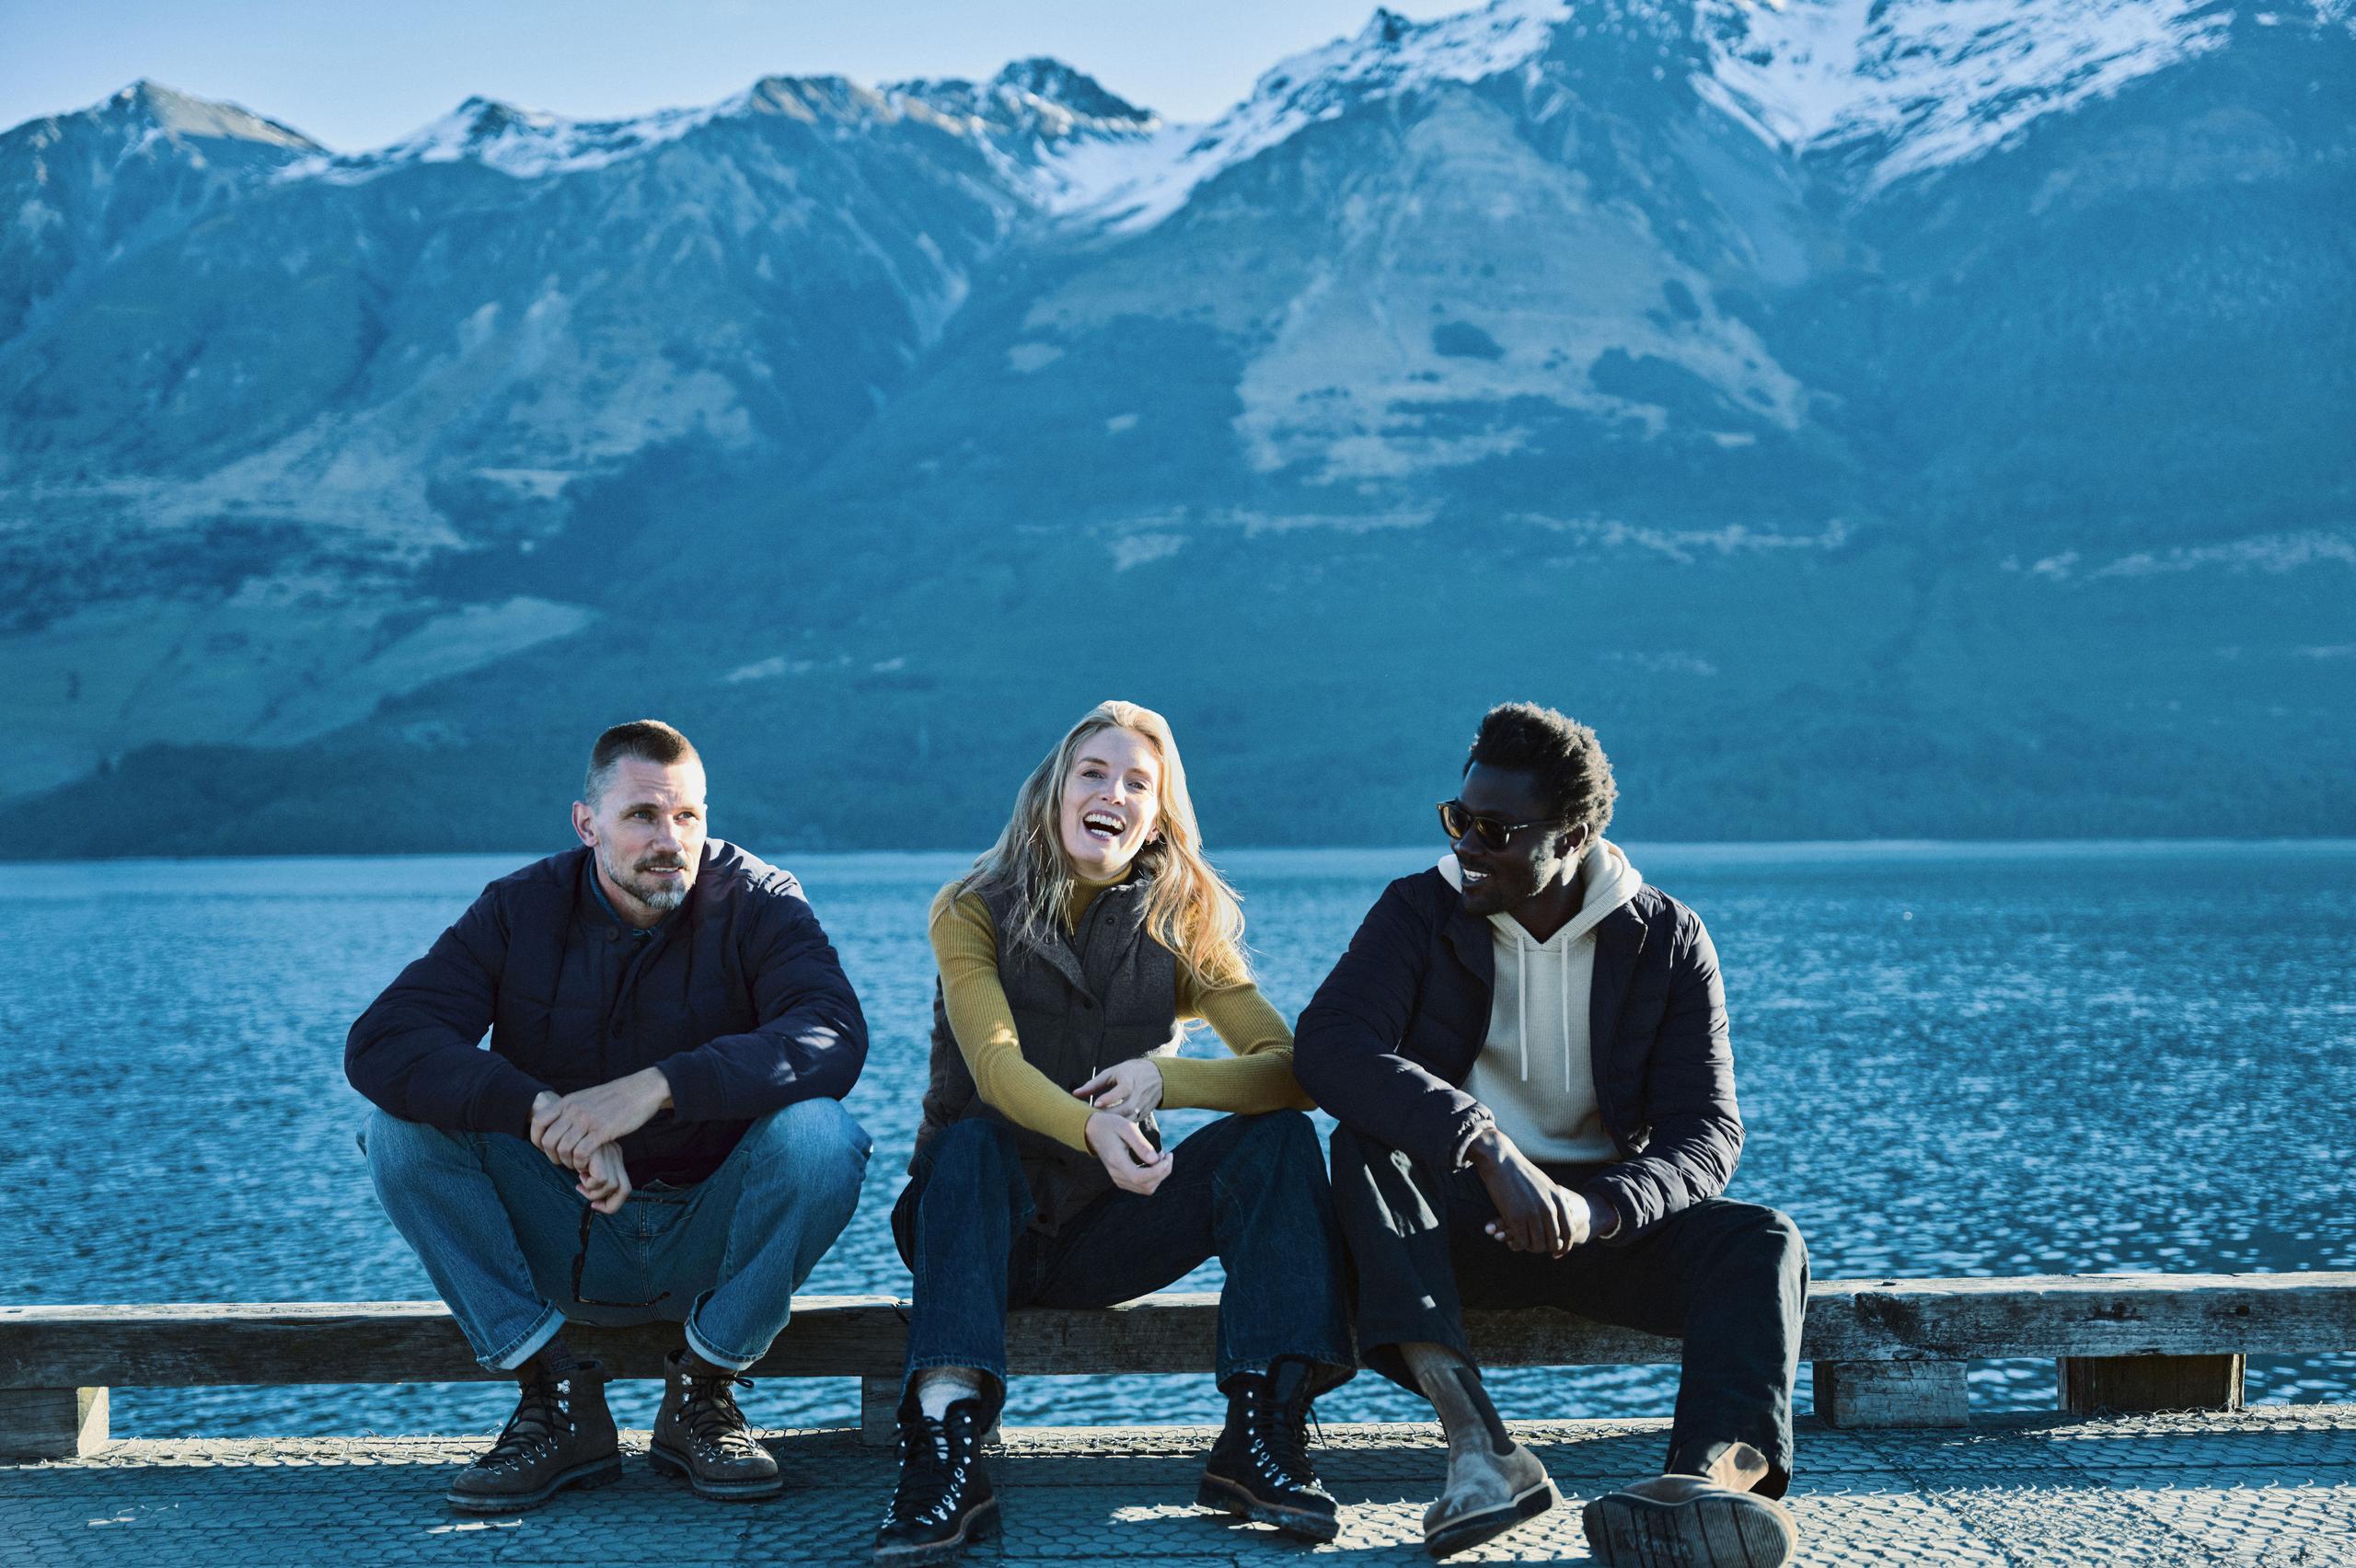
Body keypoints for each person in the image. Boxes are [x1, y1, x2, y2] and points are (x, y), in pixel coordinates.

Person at [1294, 703, 1807, 1566]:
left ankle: (1711, 1483)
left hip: (1600, 1229)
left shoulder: (1667, 940)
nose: (1466, 844)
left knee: (1761, 1242)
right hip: (1454, 1226)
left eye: (1494, 830)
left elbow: (1706, 1133)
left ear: (1569, 838)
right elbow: (1331, 1047)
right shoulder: (1419, 912)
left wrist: (1595, 1208)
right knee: (1363, 1149)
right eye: (1459, 819)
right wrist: (1485, 1148)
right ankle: (1482, 1454)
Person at [347, 720, 872, 1513]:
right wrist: (543, 1114)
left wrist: (656, 1088)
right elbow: (384, 1043)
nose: (670, 840)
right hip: (570, 1235)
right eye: (642, 816)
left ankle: (704, 1392)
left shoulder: (760, 900)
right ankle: (554, 1395)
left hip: (714, 1240)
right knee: (397, 1133)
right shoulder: (518, 909)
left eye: (687, 816)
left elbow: (831, 1034)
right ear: (586, 824)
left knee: (823, 1137)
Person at [874, 700, 1354, 1564]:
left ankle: (1262, 1431)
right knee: (972, 1144)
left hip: (1105, 1234)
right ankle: (945, 1454)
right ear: (1055, 792)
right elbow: (994, 1066)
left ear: (1160, 812)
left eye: (1140, 782)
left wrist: (1169, 1078)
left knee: (1277, 1137)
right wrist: (1094, 1127)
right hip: (978, 1230)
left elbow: (1288, 1066)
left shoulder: (1181, 921)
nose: (1114, 793)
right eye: (1094, 773)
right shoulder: (970, 908)